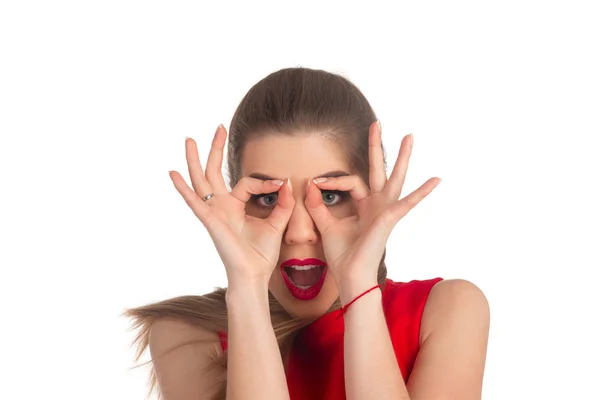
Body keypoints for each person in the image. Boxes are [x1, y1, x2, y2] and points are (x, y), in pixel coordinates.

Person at [124, 67, 490, 400]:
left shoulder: (448, 310)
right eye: (267, 198)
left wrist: (359, 286)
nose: (299, 233)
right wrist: (248, 286)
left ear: (370, 200)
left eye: (330, 196)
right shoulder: (186, 335)